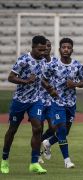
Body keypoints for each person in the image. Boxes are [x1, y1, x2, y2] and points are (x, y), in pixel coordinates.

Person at [0, 35, 47, 174]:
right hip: (20, 101)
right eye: (40, 50)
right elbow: (11, 77)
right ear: (33, 47)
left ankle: (34, 163)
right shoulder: (23, 60)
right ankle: (4, 160)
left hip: (36, 100)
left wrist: (49, 88)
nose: (42, 53)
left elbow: (39, 79)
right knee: (12, 130)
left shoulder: (43, 60)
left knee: (38, 128)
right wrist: (26, 81)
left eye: (44, 50)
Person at [42, 38, 83, 168]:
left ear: (72, 49)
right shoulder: (53, 65)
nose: (66, 49)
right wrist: (51, 90)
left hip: (71, 103)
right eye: (64, 47)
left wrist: (75, 84)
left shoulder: (77, 65)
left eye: (68, 47)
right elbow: (43, 80)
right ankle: (67, 161)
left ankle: (48, 143)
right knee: (61, 130)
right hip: (57, 102)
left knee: (65, 132)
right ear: (60, 49)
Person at [38, 39, 56, 164]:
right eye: (44, 46)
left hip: (52, 100)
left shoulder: (56, 61)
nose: (46, 48)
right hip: (38, 99)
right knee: (38, 128)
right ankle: (37, 155)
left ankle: (44, 143)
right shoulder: (37, 61)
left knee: (54, 127)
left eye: (49, 46)